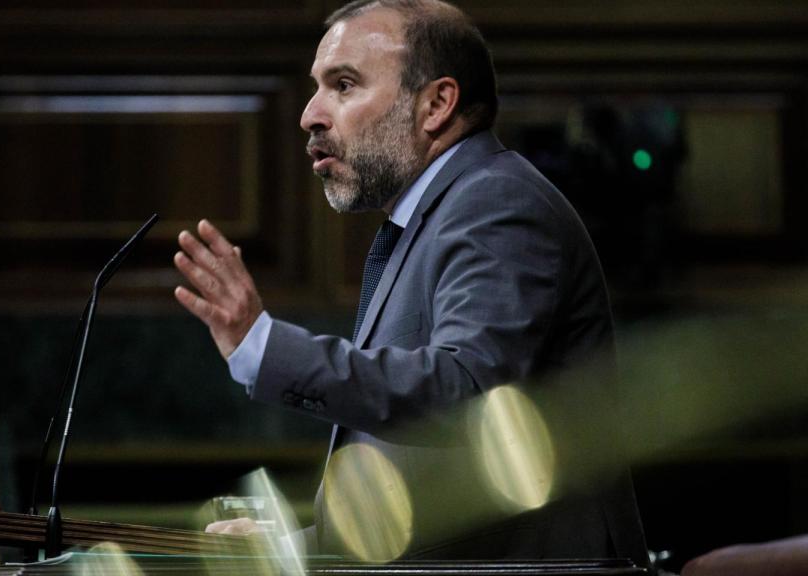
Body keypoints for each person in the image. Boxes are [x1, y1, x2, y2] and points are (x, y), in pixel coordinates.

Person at [173, 0, 648, 565]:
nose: (310, 115)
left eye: (343, 85)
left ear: (436, 105)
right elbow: (430, 478)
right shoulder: (436, 216)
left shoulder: (496, 201)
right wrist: (292, 548)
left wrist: (264, 346)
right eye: (317, 87)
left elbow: (469, 395)